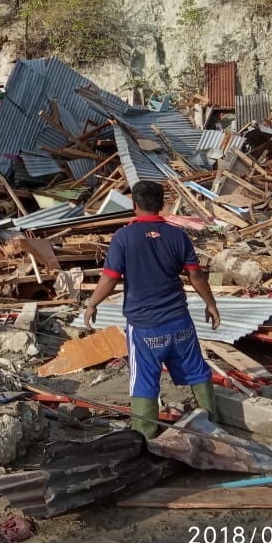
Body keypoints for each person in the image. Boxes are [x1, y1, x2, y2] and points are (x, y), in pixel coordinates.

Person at [82, 180, 221, 441]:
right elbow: (196, 275)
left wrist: (92, 304)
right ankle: (211, 425)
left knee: (144, 380)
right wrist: (211, 304)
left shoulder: (124, 237)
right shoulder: (178, 235)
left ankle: (145, 438)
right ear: (163, 205)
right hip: (179, 322)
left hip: (144, 327)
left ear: (134, 205)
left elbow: (110, 279)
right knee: (196, 369)